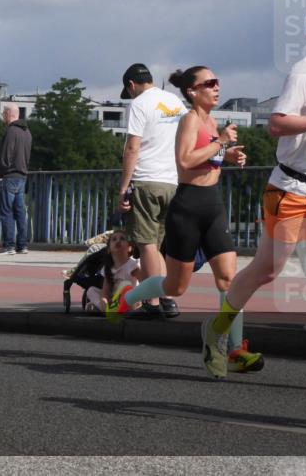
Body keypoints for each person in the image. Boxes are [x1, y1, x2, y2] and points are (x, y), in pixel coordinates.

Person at [203, 2, 306, 374]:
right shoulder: (304, 73)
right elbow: (277, 125)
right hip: (293, 190)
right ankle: (216, 331)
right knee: (267, 271)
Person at [106, 67, 264, 376]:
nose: (217, 88)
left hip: (213, 206)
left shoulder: (210, 120)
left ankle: (232, 349)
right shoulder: (189, 119)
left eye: (218, 82)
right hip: (188, 207)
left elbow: (208, 157)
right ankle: (127, 297)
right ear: (193, 92)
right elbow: (185, 160)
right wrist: (220, 143)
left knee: (230, 280)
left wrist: (229, 156)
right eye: (210, 84)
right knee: (174, 287)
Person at [117, 62, 188, 318]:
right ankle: (166, 298)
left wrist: (123, 188)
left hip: (147, 180)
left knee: (147, 245)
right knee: (158, 247)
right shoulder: (176, 103)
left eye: (130, 91)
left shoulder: (139, 104)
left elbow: (133, 148)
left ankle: (158, 301)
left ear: (131, 85)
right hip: (175, 181)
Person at [0, 104, 32, 255]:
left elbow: (6, 155)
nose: (2, 116)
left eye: (4, 113)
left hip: (9, 176)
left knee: (6, 212)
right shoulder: (27, 132)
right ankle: (22, 245)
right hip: (22, 176)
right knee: (19, 212)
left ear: (9, 114)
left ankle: (9, 245)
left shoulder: (11, 131)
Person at [84, 231, 145, 314]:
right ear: (109, 249)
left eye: (122, 239)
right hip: (114, 299)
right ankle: (106, 309)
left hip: (130, 299)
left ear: (129, 248)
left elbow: (144, 283)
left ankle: (106, 310)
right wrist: (103, 301)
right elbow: (105, 292)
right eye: (114, 239)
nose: (118, 241)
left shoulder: (133, 265)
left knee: (126, 289)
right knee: (91, 290)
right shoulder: (108, 268)